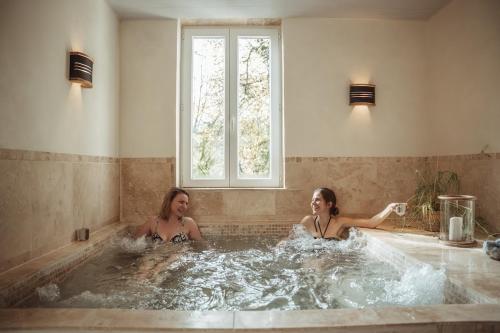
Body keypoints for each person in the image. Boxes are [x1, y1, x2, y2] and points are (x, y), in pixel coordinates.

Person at [301, 187, 399, 240]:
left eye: (317, 200)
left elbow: (371, 223)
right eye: (312, 200)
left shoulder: (340, 223)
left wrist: (390, 208)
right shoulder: (307, 221)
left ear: (329, 204)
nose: (313, 203)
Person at [135, 187, 203, 243]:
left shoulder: (189, 223)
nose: (185, 207)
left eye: (186, 203)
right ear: (169, 201)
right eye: (181, 202)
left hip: (178, 258)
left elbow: (200, 246)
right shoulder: (154, 221)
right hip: (155, 257)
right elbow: (133, 243)